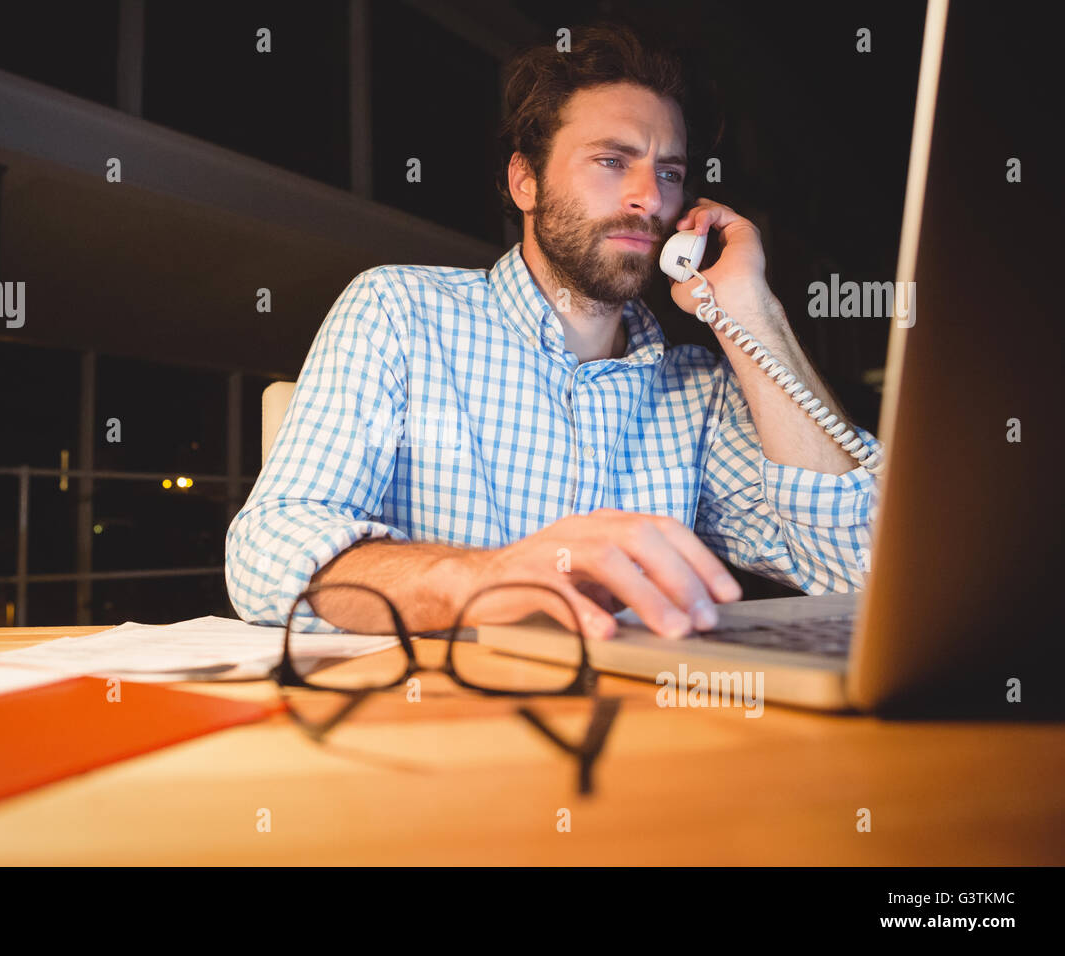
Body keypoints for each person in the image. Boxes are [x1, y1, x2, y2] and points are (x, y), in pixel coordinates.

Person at [226, 22, 878, 641]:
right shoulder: (400, 311)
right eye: (612, 161)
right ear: (526, 182)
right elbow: (267, 552)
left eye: (670, 173)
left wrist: (751, 313)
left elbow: (863, 568)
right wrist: (485, 579)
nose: (650, 198)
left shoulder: (697, 391)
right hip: (438, 712)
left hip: (631, 714)